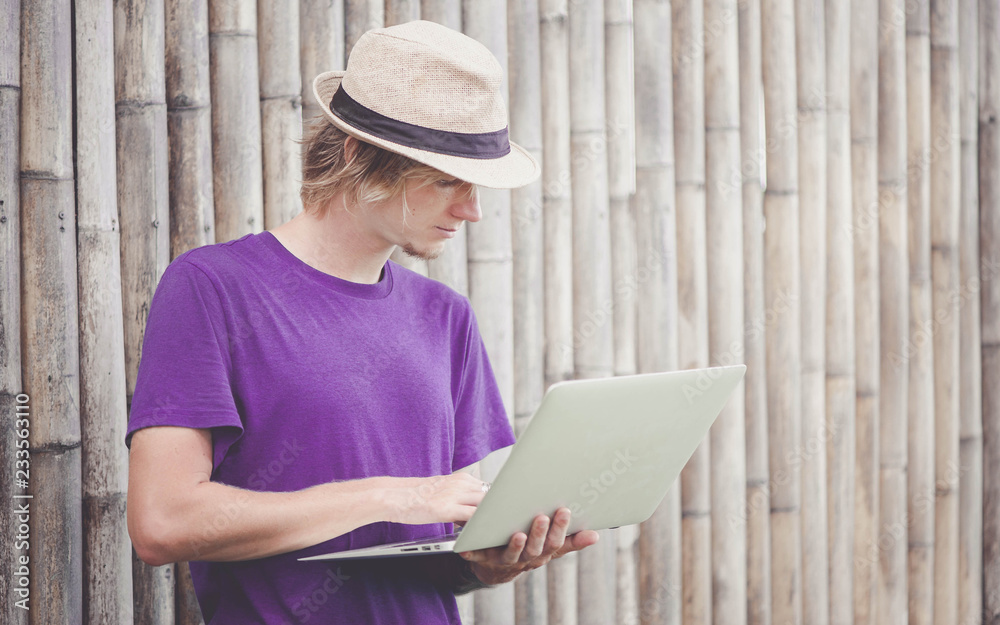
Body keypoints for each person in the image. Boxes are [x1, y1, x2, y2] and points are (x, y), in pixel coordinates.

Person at [125, 20, 598, 625]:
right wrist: (388, 495)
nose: (472, 210)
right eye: (445, 181)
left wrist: (492, 563)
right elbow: (162, 523)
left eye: (475, 184)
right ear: (357, 155)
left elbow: (440, 552)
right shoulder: (212, 288)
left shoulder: (445, 317)